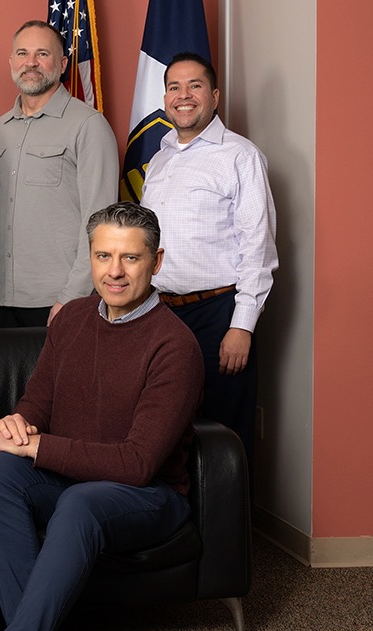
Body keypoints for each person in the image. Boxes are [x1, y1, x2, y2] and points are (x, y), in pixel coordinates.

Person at [0, 202, 203, 631]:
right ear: (90, 257)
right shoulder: (71, 317)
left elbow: (137, 464)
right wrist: (16, 424)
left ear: (156, 263)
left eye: (130, 259)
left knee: (81, 504)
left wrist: (36, 446)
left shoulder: (175, 345)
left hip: (146, 496)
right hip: (69, 480)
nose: (114, 272)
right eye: (103, 256)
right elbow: (37, 404)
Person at [141, 52, 277, 468]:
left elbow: (259, 249)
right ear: (165, 97)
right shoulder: (160, 159)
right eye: (174, 87)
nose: (184, 96)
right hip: (160, 315)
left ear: (214, 96)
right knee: (165, 429)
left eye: (195, 86)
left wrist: (242, 326)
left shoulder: (241, 156)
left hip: (219, 316)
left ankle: (230, 534)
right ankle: (177, 529)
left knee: (224, 436)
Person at [0, 20, 118, 328]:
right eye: (22, 53)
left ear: (62, 63)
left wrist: (73, 296)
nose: (30, 62)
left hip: (59, 300)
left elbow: (102, 223)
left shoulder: (89, 126)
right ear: (11, 62)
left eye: (42, 53)